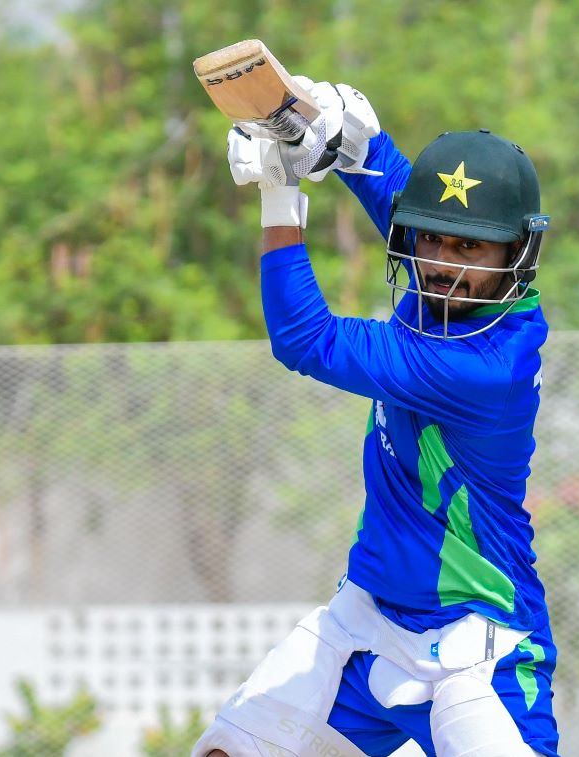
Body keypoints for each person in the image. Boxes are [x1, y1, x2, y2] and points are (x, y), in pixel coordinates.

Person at [191, 78, 560, 757]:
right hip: (365, 622)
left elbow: (307, 339)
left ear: (516, 254)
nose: (442, 264)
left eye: (470, 249)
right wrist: (348, 136)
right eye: (433, 241)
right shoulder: (445, 275)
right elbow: (401, 196)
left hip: (478, 643)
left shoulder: (485, 364)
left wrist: (281, 188)